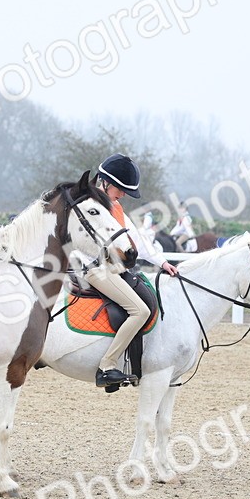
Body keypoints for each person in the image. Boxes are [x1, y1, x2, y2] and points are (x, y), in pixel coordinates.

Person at [84, 153, 180, 388]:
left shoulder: (114, 207)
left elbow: (136, 239)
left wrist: (161, 262)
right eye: (121, 189)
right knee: (140, 311)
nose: (124, 195)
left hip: (112, 268)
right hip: (94, 268)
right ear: (105, 182)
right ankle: (107, 366)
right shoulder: (88, 205)